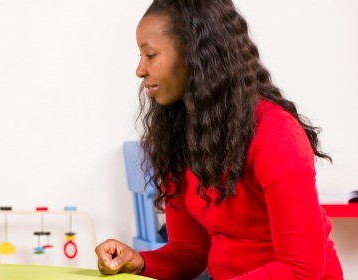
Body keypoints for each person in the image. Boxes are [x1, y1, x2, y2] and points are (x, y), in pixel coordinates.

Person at [95, 0, 344, 279]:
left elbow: (301, 269)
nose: (140, 69)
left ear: (195, 53)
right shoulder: (179, 135)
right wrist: (139, 262)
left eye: (150, 55)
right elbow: (190, 250)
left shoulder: (275, 132)